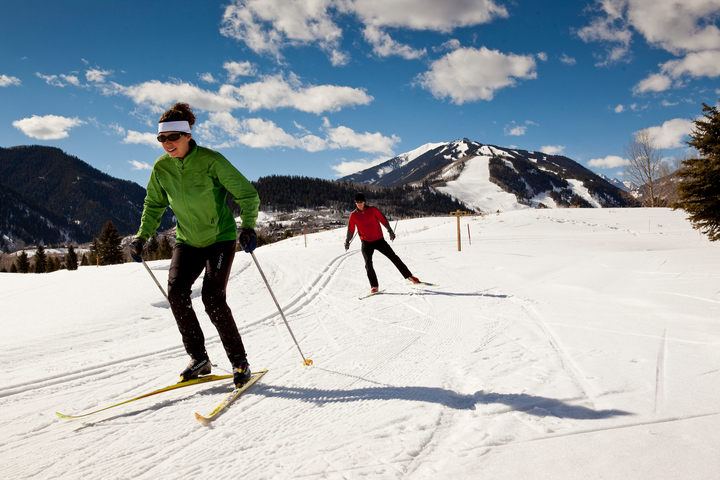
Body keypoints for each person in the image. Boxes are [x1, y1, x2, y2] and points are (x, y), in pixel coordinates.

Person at [130, 102, 260, 388]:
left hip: (219, 239)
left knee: (213, 299)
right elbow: (153, 204)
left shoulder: (212, 161)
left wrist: (248, 226)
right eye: (161, 138)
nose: (166, 144)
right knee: (176, 293)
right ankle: (199, 358)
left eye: (172, 137)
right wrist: (142, 235)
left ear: (188, 135)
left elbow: (248, 195)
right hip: (187, 240)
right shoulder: (161, 167)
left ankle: (239, 361)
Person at [344, 192, 420, 293]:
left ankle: (410, 276)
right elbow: (351, 230)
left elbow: (383, 220)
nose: (359, 203)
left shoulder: (373, 210)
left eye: (361, 201)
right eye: (357, 202)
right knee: (368, 264)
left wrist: (390, 231)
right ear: (355, 203)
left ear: (364, 201)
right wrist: (347, 242)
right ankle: (374, 286)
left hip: (379, 240)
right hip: (366, 242)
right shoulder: (353, 215)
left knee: (394, 257)